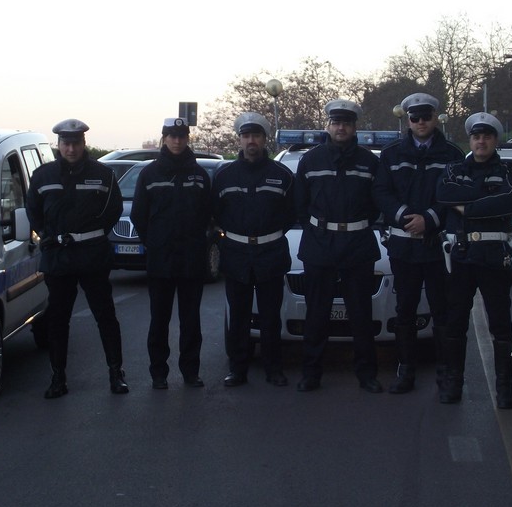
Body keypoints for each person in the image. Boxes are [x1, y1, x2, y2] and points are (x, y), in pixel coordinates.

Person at [26, 118, 127, 398]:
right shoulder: (43, 176)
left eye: (76, 143)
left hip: (92, 255)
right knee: (57, 320)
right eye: (66, 143)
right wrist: (48, 234)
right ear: (58, 145)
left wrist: (92, 234)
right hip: (59, 256)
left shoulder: (103, 174)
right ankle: (58, 378)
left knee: (105, 316)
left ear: (84, 144)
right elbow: (33, 210)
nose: (71, 149)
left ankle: (116, 373)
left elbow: (113, 210)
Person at [373, 93, 463, 394]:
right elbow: (381, 193)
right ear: (408, 120)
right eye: (415, 117)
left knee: (442, 311)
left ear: (436, 117)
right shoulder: (391, 154)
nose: (421, 122)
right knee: (405, 310)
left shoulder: (451, 154)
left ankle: (445, 375)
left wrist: (430, 218)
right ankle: (406, 370)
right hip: (403, 246)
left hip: (437, 246)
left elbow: (455, 195)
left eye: (426, 116)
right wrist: (403, 215)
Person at [295, 99, 382, 393]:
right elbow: (299, 202)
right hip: (320, 242)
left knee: (360, 314)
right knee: (316, 313)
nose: (341, 127)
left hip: (357, 242)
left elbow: (377, 203)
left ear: (354, 127)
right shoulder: (311, 160)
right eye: (335, 122)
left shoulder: (370, 162)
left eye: (346, 122)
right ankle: (311, 373)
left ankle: (366, 374)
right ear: (328, 126)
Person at [436, 112, 512, 408]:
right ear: (470, 140)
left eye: (486, 136)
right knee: (454, 323)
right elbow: (443, 194)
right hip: (460, 257)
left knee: (500, 326)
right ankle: (453, 383)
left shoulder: (510, 171)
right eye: (476, 136)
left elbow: (509, 201)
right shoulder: (453, 168)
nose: (481, 141)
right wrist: (484, 197)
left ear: (495, 140)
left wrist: (467, 206)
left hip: (493, 258)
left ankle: (505, 388)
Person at [211, 112, 295, 387]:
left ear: (264, 139)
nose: (251, 141)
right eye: (246, 136)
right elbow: (214, 213)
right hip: (236, 253)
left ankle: (274, 369)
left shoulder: (282, 175)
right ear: (240, 139)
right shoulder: (224, 175)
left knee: (271, 317)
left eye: (256, 136)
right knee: (239, 316)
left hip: (271, 252)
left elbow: (293, 212)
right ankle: (238, 369)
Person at [130, 117, 212, 389]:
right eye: (172, 136)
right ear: (163, 138)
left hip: (191, 259)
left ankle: (190, 372)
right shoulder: (150, 174)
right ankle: (159, 373)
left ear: (187, 138)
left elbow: (207, 215)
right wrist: (155, 242)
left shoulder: (199, 174)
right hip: (161, 260)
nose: (177, 141)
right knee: (159, 320)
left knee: (191, 321)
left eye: (181, 136)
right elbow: (139, 216)